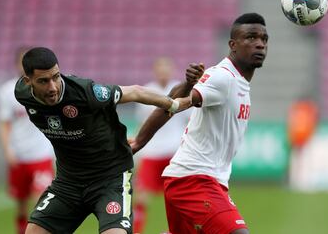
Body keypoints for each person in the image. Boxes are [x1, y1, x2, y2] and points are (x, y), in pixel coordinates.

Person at [14, 47, 202, 234]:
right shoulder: (21, 94)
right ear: (27, 81)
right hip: (68, 182)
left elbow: (135, 92)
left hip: (110, 178)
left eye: (56, 76)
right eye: (43, 81)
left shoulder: (84, 92)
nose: (53, 87)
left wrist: (174, 104)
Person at [130, 13, 269, 234]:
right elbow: (176, 103)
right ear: (233, 44)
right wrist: (139, 141)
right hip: (193, 180)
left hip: (201, 179)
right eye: (251, 38)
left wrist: (185, 85)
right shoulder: (224, 77)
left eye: (264, 39)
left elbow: (175, 98)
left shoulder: (238, 82)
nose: (260, 44)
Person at [0, 47, 55, 234]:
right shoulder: (7, 91)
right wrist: (8, 150)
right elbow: (4, 123)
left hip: (40, 155)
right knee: (21, 205)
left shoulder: (46, 88)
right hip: (19, 155)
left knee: (41, 204)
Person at [133, 57, 191, 233]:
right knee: (140, 196)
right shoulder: (146, 91)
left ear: (172, 71)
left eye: (167, 69)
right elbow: (143, 124)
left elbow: (190, 120)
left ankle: (176, 230)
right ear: (155, 71)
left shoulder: (182, 90)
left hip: (174, 152)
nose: (163, 73)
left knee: (180, 197)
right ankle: (135, 230)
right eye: (160, 69)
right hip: (151, 152)